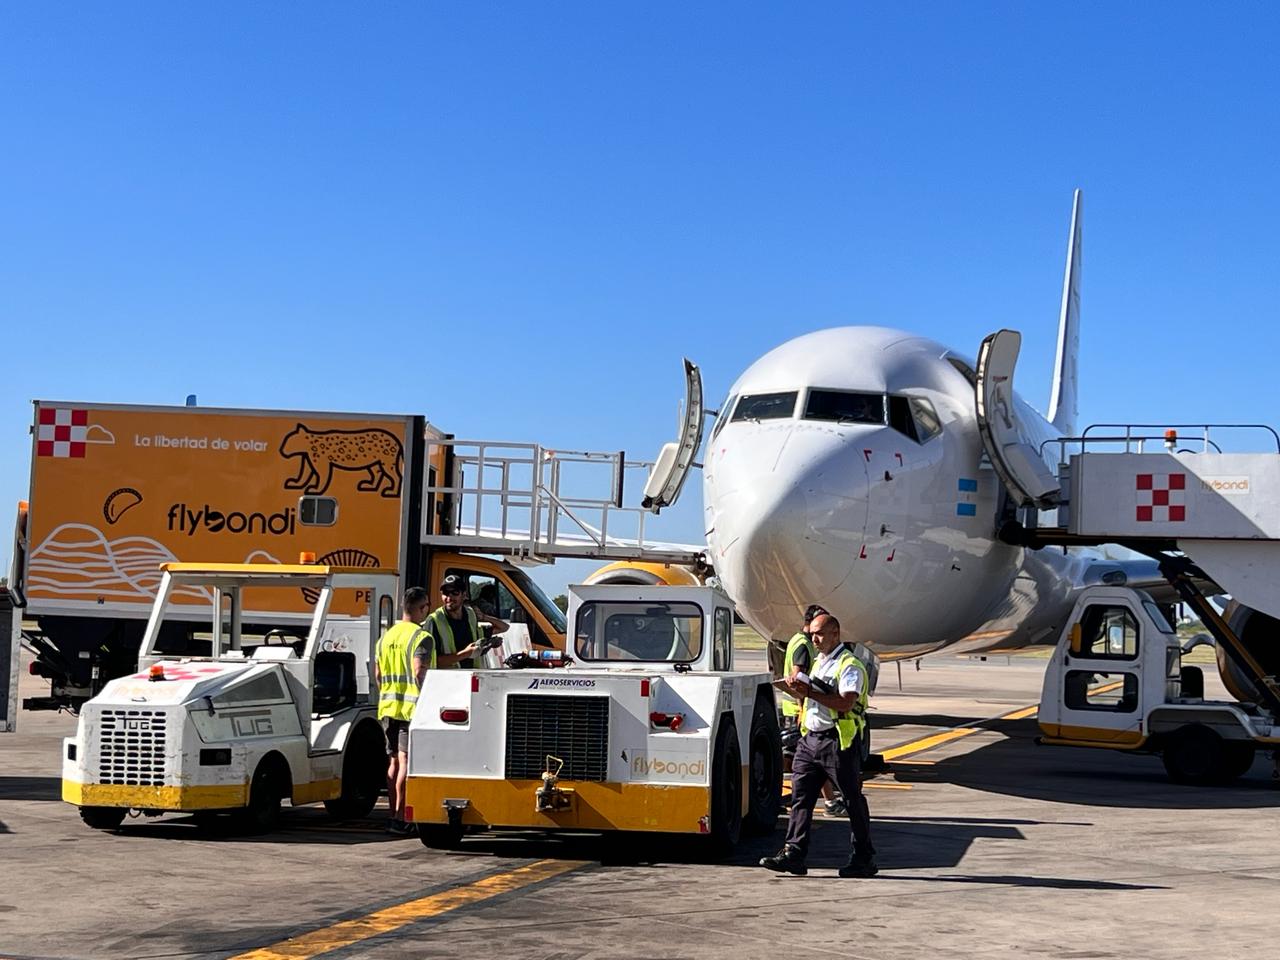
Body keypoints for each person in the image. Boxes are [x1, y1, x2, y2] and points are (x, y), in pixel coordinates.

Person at [761, 612, 877, 877]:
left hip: (837, 742)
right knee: (800, 798)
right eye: (812, 633)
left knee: (851, 800)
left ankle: (864, 857)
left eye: (820, 633)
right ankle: (794, 853)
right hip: (810, 740)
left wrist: (809, 692)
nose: (815, 638)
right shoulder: (820, 661)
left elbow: (846, 702)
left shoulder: (848, 664)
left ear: (836, 634)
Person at [374, 586, 434, 835]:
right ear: (422, 609)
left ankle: (392, 815)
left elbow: (377, 674)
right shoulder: (421, 637)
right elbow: (420, 671)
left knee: (393, 763)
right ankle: (403, 816)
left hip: (388, 707)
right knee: (407, 762)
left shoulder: (386, 637)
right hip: (412, 708)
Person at [781, 604, 843, 814]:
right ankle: (827, 802)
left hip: (798, 708)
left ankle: (828, 801)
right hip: (801, 710)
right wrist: (801, 708)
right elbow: (798, 678)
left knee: (804, 762)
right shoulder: (803, 645)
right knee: (805, 762)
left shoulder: (795, 640)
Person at [423, 574, 510, 668]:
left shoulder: (470, 615)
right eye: (445, 593)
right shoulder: (434, 620)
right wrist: (465, 654)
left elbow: (504, 627)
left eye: (454, 592)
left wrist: (484, 618)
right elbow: (431, 662)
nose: (449, 597)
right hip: (447, 680)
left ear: (464, 595)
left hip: (471, 677)